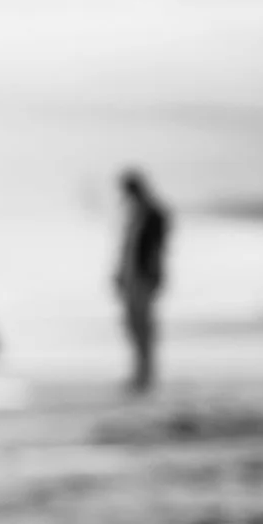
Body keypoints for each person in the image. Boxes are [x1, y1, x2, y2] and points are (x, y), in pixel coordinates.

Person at [115, 168, 172, 393]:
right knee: (133, 325)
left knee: (143, 326)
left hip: (144, 277)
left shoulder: (154, 213)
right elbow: (126, 250)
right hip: (131, 277)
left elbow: (158, 249)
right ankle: (140, 373)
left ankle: (145, 376)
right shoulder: (135, 213)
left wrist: (155, 275)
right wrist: (119, 274)